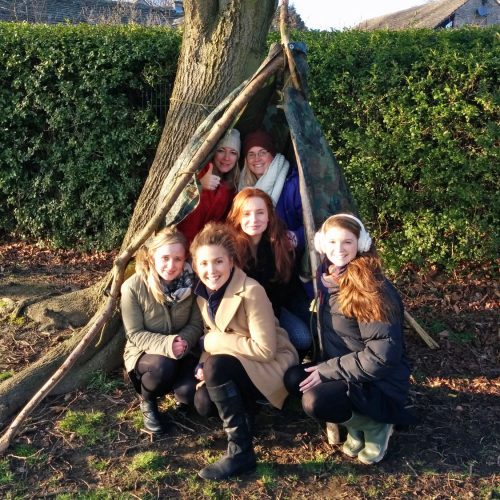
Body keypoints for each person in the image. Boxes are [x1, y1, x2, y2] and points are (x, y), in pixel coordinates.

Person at [284, 214, 416, 465]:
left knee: (315, 400)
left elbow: (380, 357)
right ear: (322, 245)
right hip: (349, 371)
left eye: (347, 242)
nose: (339, 249)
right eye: (332, 242)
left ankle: (376, 425)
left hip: (378, 382)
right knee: (294, 379)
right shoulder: (329, 279)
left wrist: (326, 370)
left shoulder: (371, 289)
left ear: (361, 244)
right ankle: (355, 424)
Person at [190, 222, 298, 480]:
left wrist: (211, 347)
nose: (211, 270)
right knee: (203, 403)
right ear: (195, 265)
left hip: (271, 362)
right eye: (203, 263)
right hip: (239, 360)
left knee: (217, 368)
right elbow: (213, 334)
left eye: (218, 262)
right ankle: (248, 409)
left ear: (231, 261)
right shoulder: (203, 293)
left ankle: (241, 452)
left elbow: (264, 350)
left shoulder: (251, 291)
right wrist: (202, 362)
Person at [120, 227, 203, 434]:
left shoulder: (193, 284)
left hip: (184, 350)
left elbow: (196, 324)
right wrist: (167, 345)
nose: (171, 265)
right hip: (146, 354)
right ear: (152, 256)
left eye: (177, 259)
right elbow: (135, 333)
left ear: (185, 259)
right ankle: (147, 400)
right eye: (165, 257)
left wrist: (183, 341)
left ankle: (178, 394)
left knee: (188, 393)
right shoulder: (133, 287)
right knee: (161, 367)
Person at [227, 187, 312, 358]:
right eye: (246, 214)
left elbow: (283, 286)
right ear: (237, 217)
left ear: (269, 216)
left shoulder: (278, 244)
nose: (254, 219)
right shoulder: (229, 248)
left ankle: (289, 367)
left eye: (260, 213)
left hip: (273, 310)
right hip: (239, 315)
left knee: (303, 337)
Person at [238, 129, 304, 251]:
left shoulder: (292, 183)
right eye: (251, 154)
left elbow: (312, 224)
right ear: (246, 160)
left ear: (272, 155)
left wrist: (295, 237)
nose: (257, 158)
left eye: (262, 152)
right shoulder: (242, 187)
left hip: (286, 254)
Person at [177, 128, 241, 244]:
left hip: (205, 249)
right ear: (213, 152)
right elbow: (175, 204)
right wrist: (199, 184)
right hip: (181, 244)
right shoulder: (199, 171)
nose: (226, 157)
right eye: (221, 150)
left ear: (237, 158)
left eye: (233, 152)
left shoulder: (232, 186)